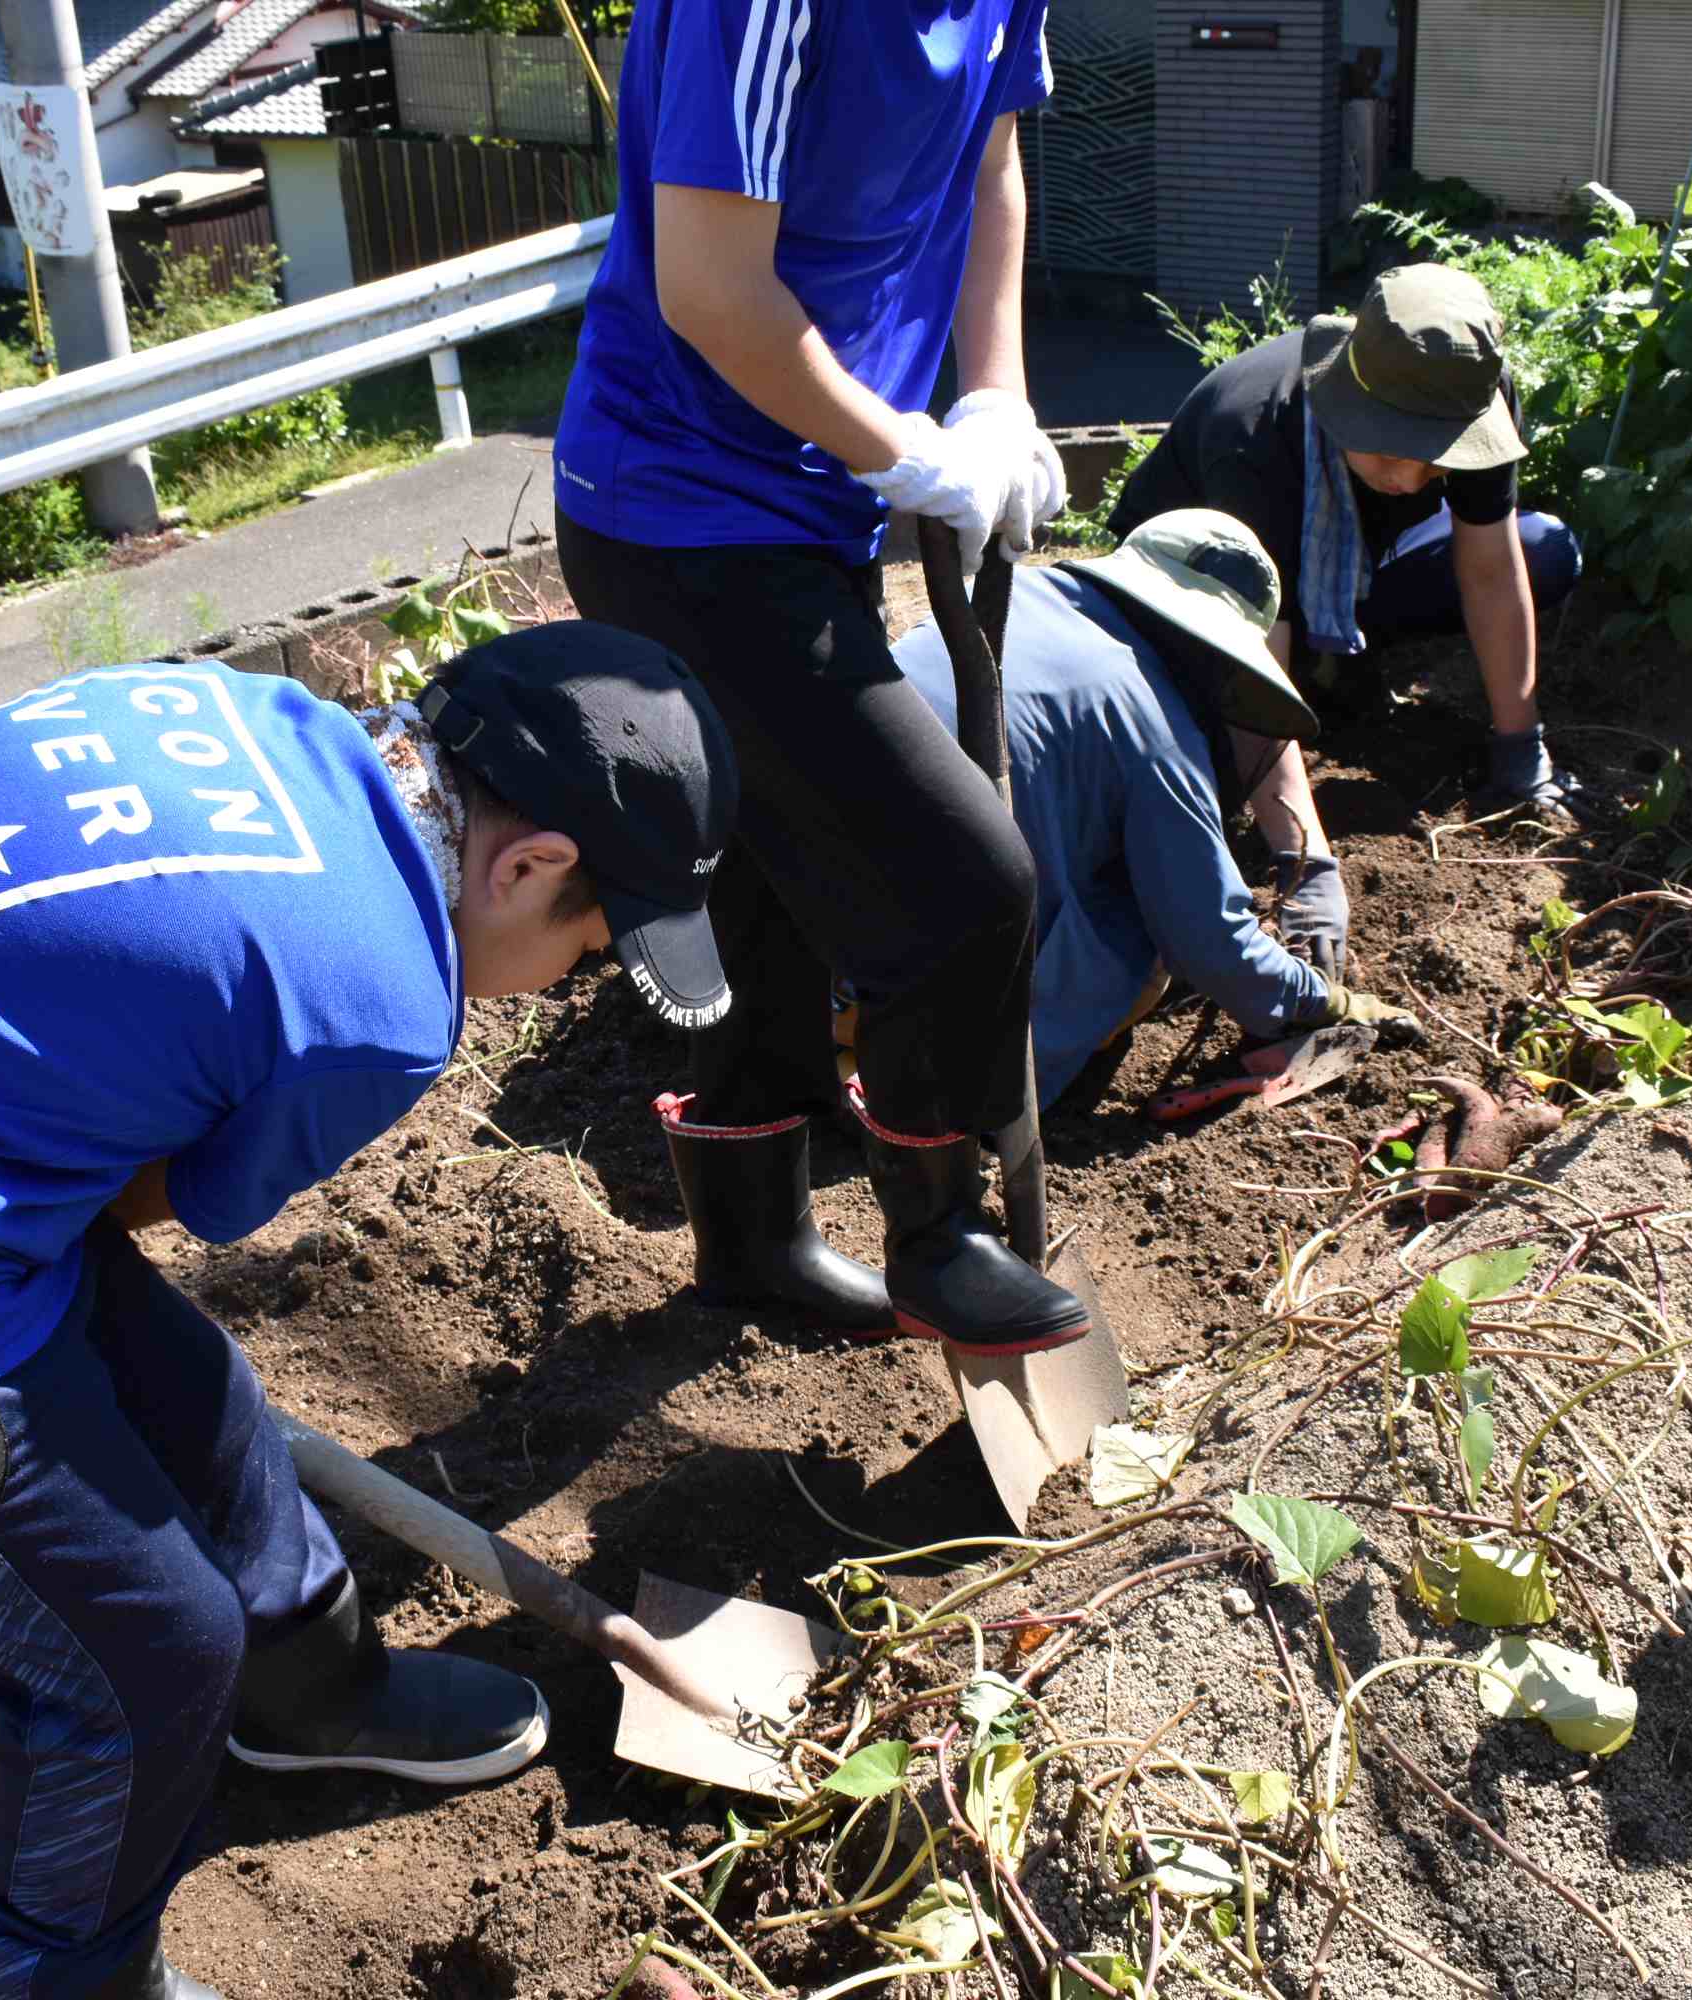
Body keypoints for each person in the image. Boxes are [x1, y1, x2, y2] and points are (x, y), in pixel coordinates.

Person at [0, 627, 737, 2000]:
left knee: (195, 1400)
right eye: (589, 947)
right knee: (142, 1667)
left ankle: (312, 1697)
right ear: (526, 865)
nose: (575, 974)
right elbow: (140, 1196)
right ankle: (63, 1970)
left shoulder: (226, 707)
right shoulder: (372, 1000)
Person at [551, 0, 1090, 1354]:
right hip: (679, 511)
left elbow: (990, 158)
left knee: (765, 886)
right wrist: (898, 454)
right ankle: (937, 1236)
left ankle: (754, 1247)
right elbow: (708, 286)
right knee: (964, 886)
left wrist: (995, 394)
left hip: (813, 500)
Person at [890, 509, 1416, 1102]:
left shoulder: (1013, 592)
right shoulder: (1158, 725)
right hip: (911, 987)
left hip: (820, 908)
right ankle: (963, 1096)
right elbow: (1208, 939)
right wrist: (1321, 1000)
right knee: (1131, 917)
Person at [1107, 263, 1585, 904]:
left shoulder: (1467, 395)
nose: (1410, 481)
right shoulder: (1253, 434)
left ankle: (1336, 661)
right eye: (1391, 451)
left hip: (1345, 567)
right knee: (1205, 752)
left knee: (1542, 550)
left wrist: (1522, 745)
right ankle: (1316, 672)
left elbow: (1493, 569)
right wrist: (1303, 857)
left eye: (1435, 462)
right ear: (1346, 405)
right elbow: (1251, 664)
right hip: (1190, 598)